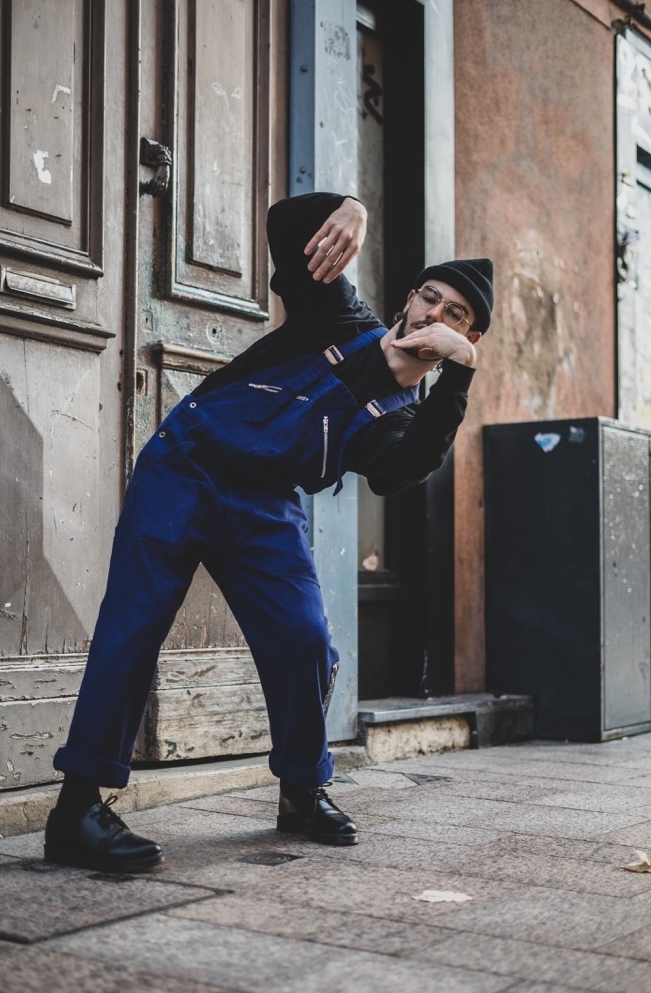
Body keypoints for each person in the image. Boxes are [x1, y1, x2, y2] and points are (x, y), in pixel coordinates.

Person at [44, 192, 493, 873]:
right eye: (430, 297)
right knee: (132, 626)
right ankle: (77, 809)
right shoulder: (340, 316)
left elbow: (399, 472)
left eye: (455, 314)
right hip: (184, 468)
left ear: (468, 338)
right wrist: (350, 207)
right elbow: (286, 225)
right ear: (409, 299)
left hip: (264, 506)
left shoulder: (404, 415)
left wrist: (459, 377)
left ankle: (302, 793)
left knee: (304, 638)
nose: (435, 313)